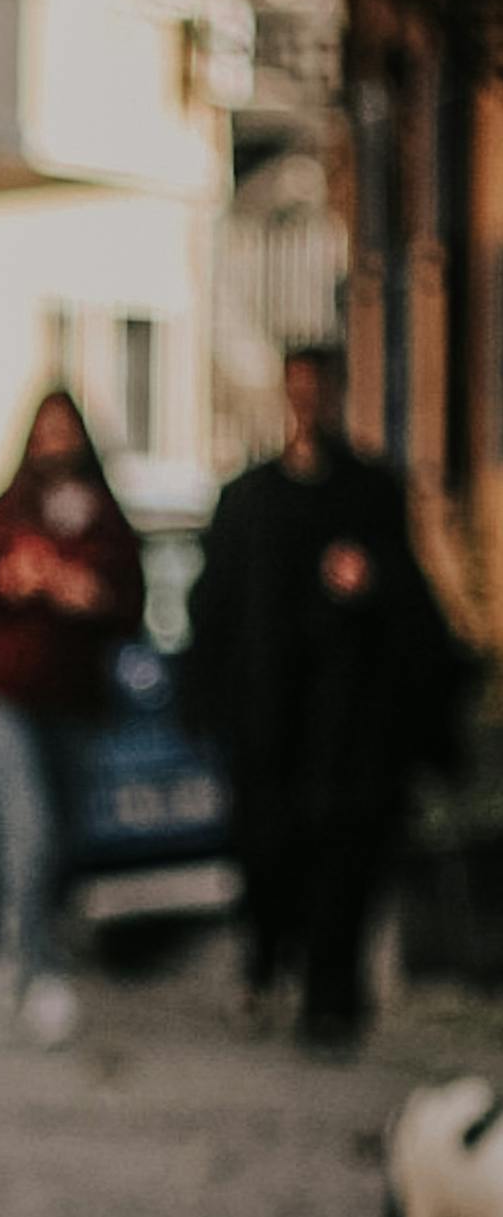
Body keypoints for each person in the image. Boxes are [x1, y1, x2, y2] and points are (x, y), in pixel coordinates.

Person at [178, 342, 475, 1052]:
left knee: (345, 859)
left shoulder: (367, 494)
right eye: (297, 390)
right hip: (270, 728)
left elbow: (414, 613)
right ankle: (276, 961)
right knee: (273, 855)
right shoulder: (249, 500)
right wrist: (209, 702)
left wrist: (370, 585)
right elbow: (215, 610)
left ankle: (331, 997)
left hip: (347, 730)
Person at [0, 389, 144, 1050]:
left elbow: (129, 605)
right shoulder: (4, 514)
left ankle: (29, 946)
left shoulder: (105, 523)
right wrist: (12, 578)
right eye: (45, 431)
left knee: (62, 837)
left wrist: (88, 594)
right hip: (3, 697)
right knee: (24, 828)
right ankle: (28, 968)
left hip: (73, 699)